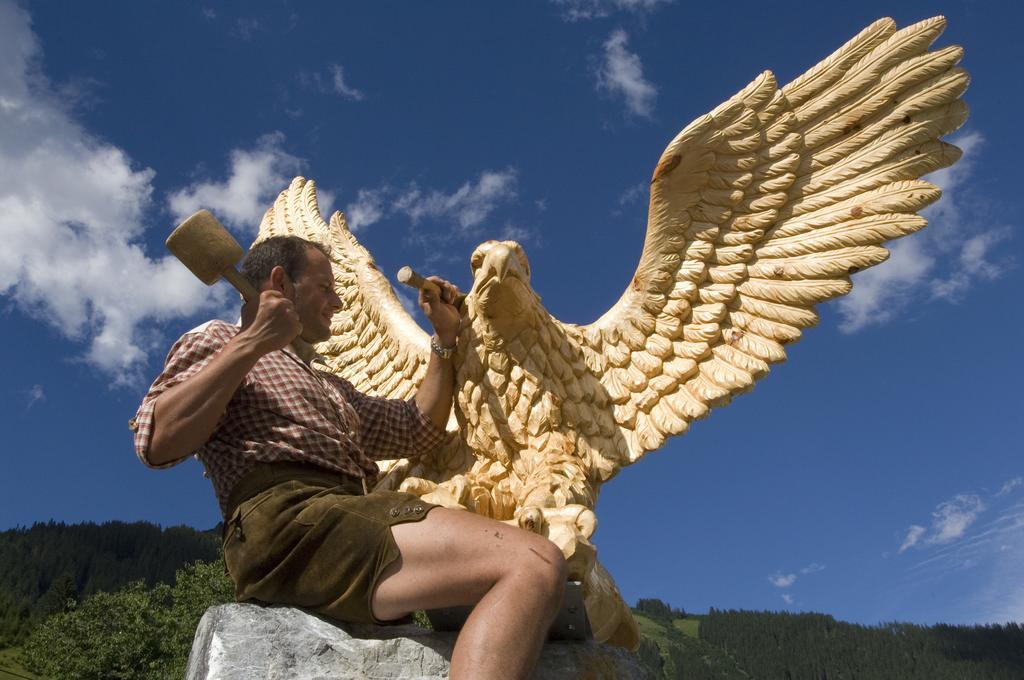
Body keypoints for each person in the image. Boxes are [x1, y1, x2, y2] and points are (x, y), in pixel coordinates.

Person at [131, 236, 566, 679]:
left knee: (532, 564)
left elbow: (417, 429)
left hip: (347, 517)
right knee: (531, 562)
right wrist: (252, 343)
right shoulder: (220, 339)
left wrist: (445, 338)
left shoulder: (329, 387)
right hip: (291, 523)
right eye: (325, 288)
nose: (337, 303)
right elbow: (157, 440)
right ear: (281, 282)